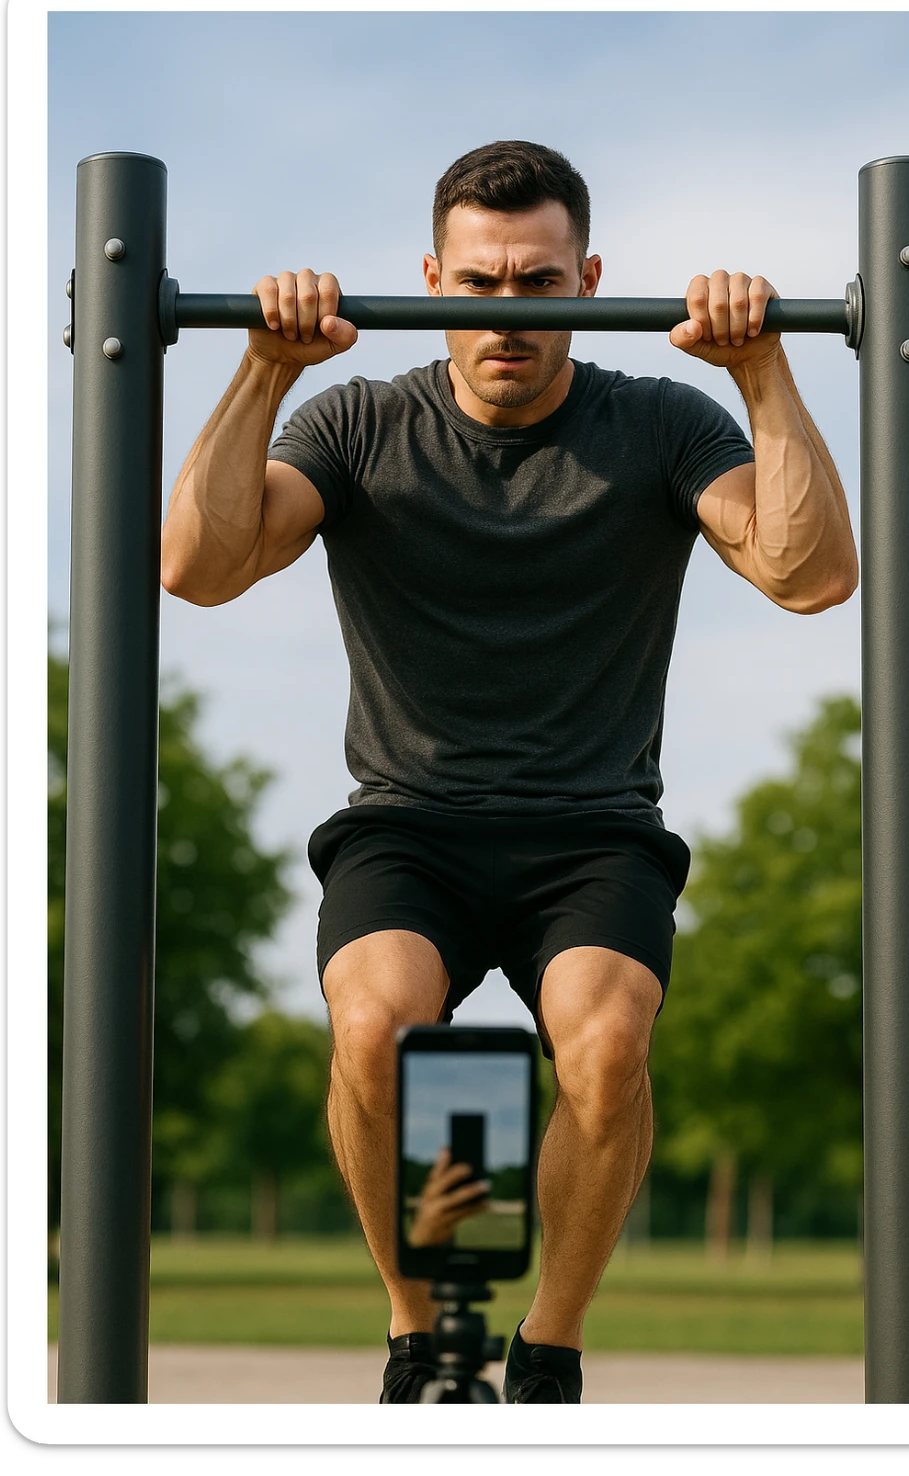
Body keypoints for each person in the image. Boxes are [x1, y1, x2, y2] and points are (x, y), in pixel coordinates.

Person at [161, 140, 858, 1404]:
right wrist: (263, 368)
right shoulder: (360, 419)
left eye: (540, 286)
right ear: (429, 280)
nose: (507, 316)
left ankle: (547, 1349)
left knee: (606, 1040)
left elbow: (808, 577)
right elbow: (200, 569)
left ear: (589, 280)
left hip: (591, 830)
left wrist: (761, 372)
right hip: (409, 825)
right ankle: (421, 1330)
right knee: (375, 1024)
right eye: (476, 287)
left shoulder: (657, 423)